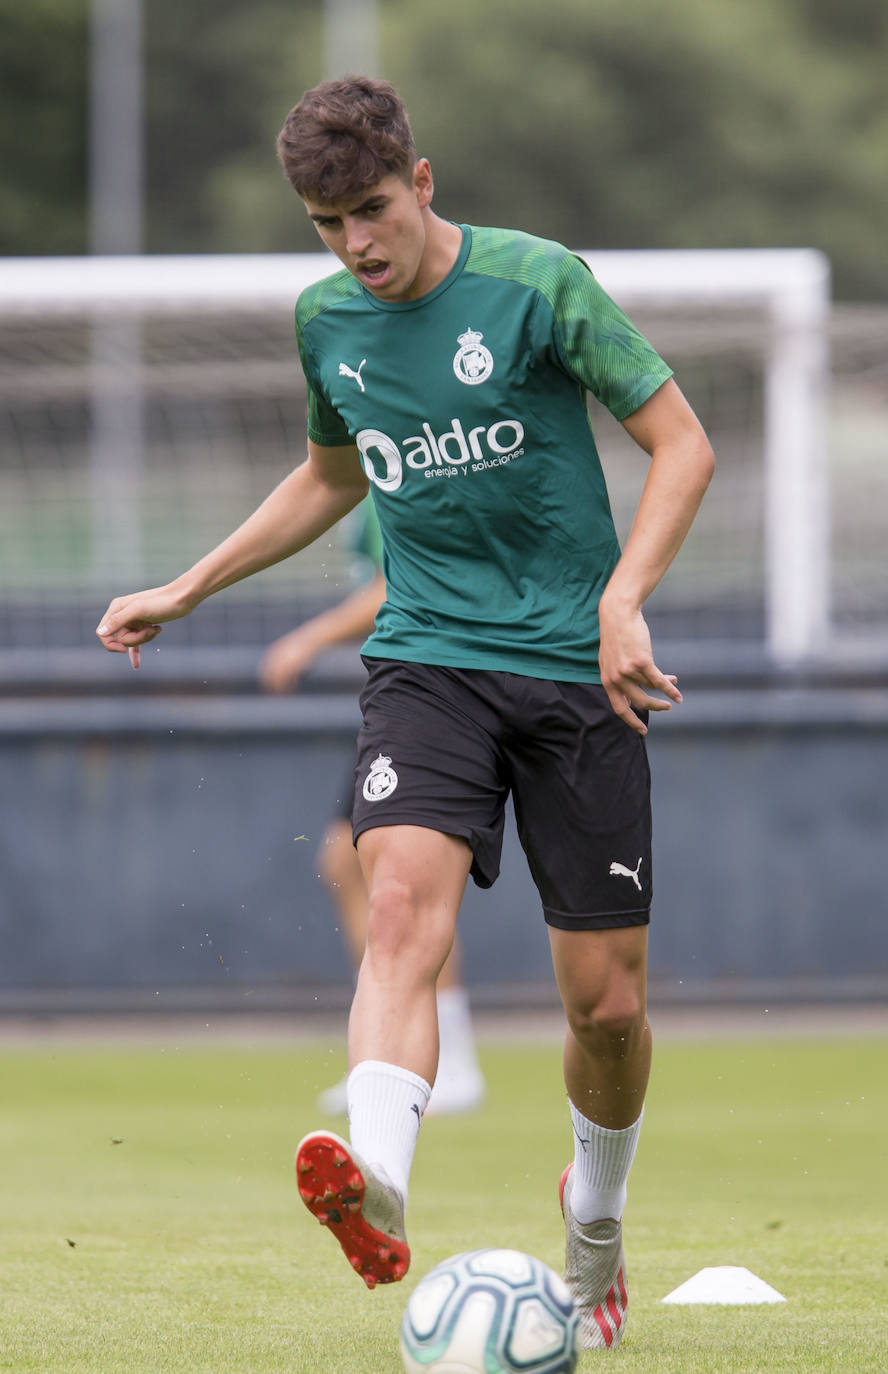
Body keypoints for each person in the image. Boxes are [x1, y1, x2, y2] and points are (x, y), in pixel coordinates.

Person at [96, 75, 714, 1350]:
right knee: (394, 911)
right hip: (425, 661)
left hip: (571, 669)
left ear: (421, 184)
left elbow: (682, 443)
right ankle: (377, 1175)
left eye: (370, 211)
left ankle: (592, 1217)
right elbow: (330, 476)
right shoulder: (328, 319)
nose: (354, 246)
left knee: (604, 1006)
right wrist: (188, 586)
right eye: (325, 223)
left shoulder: (539, 285)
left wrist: (625, 600)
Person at [258, 500, 485, 1117]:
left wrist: (307, 639)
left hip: (440, 692)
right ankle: (391, 1056)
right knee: (348, 864)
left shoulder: (402, 472)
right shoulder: (355, 489)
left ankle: (443, 1058)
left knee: (399, 878)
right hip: (406, 691)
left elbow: (397, 587)